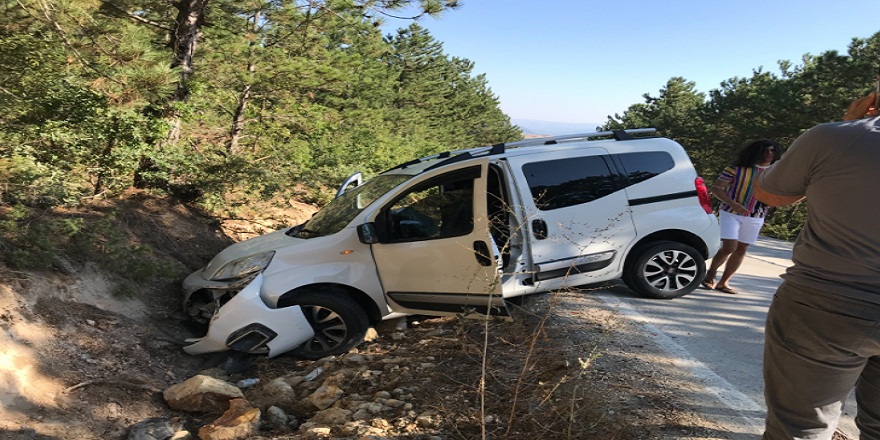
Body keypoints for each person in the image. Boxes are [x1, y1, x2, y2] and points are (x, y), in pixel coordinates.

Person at [755, 91, 880, 440]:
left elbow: (772, 193)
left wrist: (850, 125)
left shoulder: (833, 137)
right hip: (826, 307)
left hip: (826, 306)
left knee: (801, 429)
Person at [701, 139, 781, 294]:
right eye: (765, 150)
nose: (769, 154)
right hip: (731, 213)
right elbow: (717, 188)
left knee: (742, 248)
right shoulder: (736, 169)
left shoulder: (775, 172)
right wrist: (734, 204)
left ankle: (724, 283)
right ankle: (710, 273)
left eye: (772, 151)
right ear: (756, 152)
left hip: (756, 215)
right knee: (730, 246)